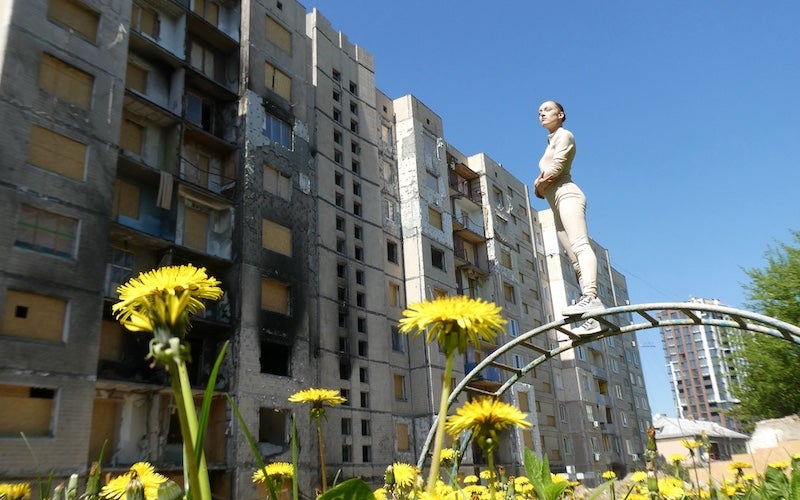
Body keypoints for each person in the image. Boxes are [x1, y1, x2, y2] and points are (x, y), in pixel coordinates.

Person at [534, 100, 602, 330]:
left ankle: (591, 297)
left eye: (547, 110)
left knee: (581, 245)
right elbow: (544, 184)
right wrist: (540, 185)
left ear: (561, 114)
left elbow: (556, 170)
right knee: (574, 259)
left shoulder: (565, 135)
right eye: (539, 111)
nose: (542, 113)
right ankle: (592, 317)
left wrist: (538, 183)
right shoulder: (549, 141)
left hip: (567, 195)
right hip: (555, 204)